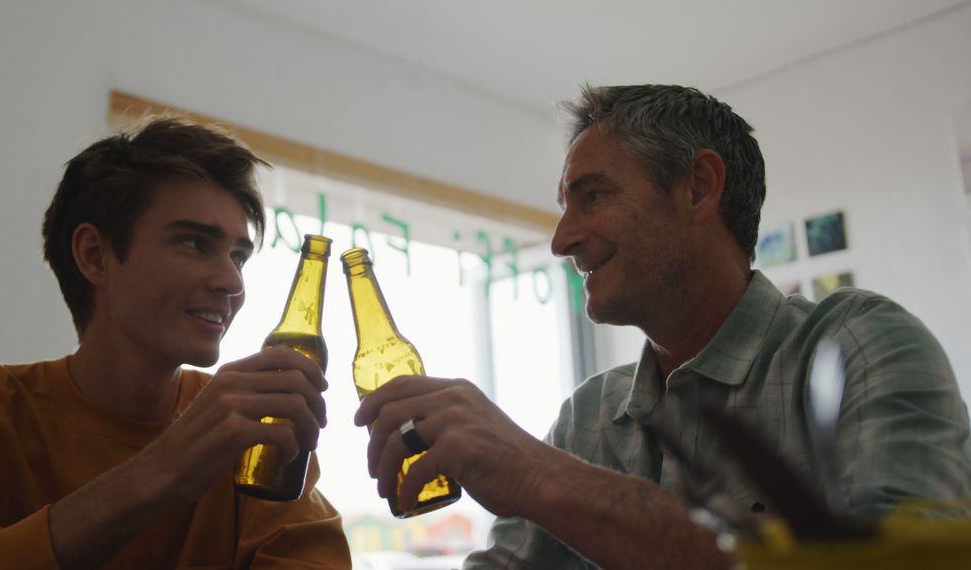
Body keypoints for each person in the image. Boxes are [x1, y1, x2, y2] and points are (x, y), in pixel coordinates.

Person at [354, 84, 971, 569]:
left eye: (592, 196)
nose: (561, 239)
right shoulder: (589, 416)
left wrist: (533, 472)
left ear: (699, 189)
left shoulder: (858, 345)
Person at [0, 118, 351, 568]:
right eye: (194, 243)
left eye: (238, 256)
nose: (231, 281)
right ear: (95, 255)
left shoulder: (248, 434)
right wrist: (160, 472)